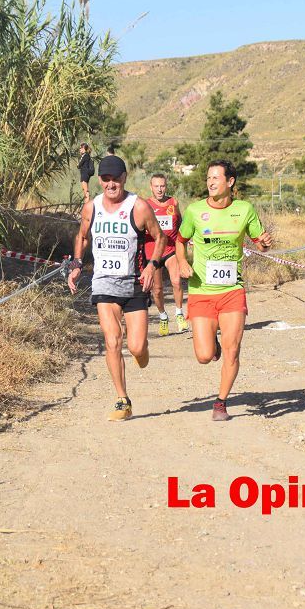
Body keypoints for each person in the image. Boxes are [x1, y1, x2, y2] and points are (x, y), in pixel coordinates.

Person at [67, 154, 167, 421]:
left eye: (116, 179)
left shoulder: (139, 207)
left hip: (134, 284)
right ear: (99, 180)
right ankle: (122, 399)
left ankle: (141, 353)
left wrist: (152, 266)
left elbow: (160, 237)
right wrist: (77, 264)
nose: (111, 184)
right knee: (112, 341)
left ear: (124, 178)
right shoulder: (92, 207)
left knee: (136, 347)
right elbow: (82, 235)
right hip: (104, 283)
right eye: (106, 179)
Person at [175, 160, 273, 421]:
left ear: (230, 182)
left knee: (233, 349)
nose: (210, 182)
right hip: (201, 291)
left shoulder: (244, 210)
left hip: (232, 290)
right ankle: (212, 345)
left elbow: (260, 243)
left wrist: (264, 243)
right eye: (208, 178)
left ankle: (220, 403)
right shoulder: (195, 211)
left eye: (216, 178)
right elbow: (180, 240)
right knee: (205, 356)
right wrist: (183, 262)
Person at [145, 173, 187, 336]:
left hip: (170, 251)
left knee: (177, 282)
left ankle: (179, 314)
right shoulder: (145, 205)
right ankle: (163, 317)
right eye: (156, 186)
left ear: (166, 186)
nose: (160, 189)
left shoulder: (173, 202)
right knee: (157, 289)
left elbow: (181, 223)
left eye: (162, 186)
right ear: (151, 187)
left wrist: (184, 239)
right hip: (153, 253)